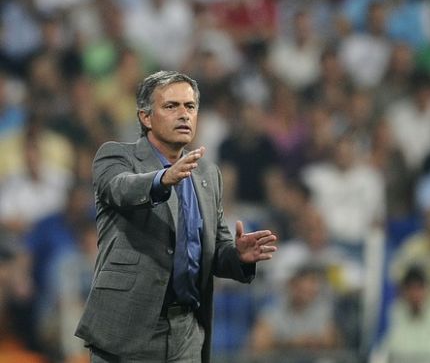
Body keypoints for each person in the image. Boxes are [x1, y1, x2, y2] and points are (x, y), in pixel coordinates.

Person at [74, 70, 278, 363]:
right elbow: (120, 189)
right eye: (171, 106)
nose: (184, 114)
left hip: (187, 333)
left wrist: (238, 256)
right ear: (146, 117)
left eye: (190, 106)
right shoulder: (117, 156)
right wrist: (161, 179)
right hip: (127, 331)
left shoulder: (208, 174)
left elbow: (214, 249)